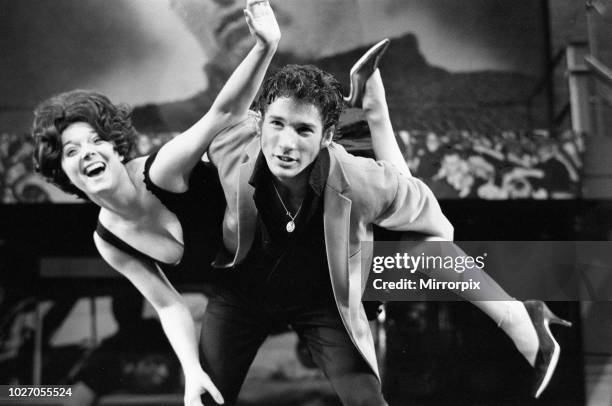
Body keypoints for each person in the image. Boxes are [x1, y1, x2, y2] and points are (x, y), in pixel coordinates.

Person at [205, 63, 572, 404]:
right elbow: (162, 183)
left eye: (303, 130)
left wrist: (378, 116)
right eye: (277, 124)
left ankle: (519, 317)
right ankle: (374, 106)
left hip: (324, 298)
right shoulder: (228, 145)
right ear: (258, 123)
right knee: (205, 395)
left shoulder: (363, 180)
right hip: (242, 291)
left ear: (327, 136)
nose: (286, 143)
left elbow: (436, 227)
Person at [31, 1, 280, 404]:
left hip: (296, 229)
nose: (89, 153)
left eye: (97, 141)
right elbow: (169, 307)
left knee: (403, 262)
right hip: (250, 289)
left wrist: (265, 46)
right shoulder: (109, 241)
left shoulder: (161, 170)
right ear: (62, 172)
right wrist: (191, 372)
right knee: (206, 395)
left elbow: (223, 113)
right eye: (72, 150)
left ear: (115, 149)